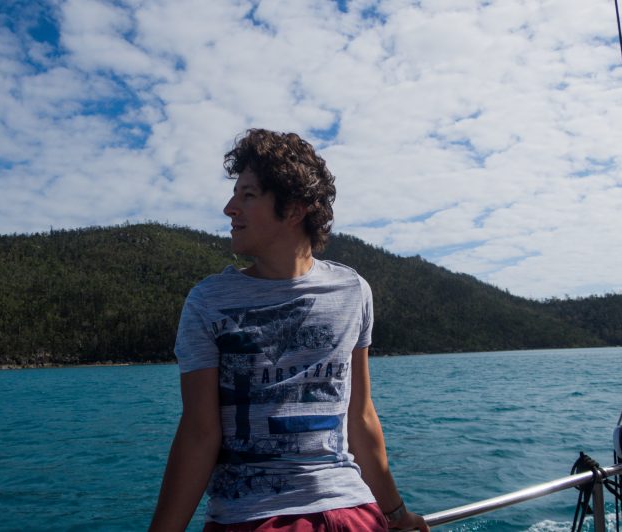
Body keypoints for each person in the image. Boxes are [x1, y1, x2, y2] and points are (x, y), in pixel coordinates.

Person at [150, 129, 428, 532]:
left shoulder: (352, 291)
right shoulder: (209, 301)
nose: (229, 208)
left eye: (247, 195)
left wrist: (396, 515)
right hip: (296, 518)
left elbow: (359, 416)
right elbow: (199, 434)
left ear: (294, 210)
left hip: (336, 513)